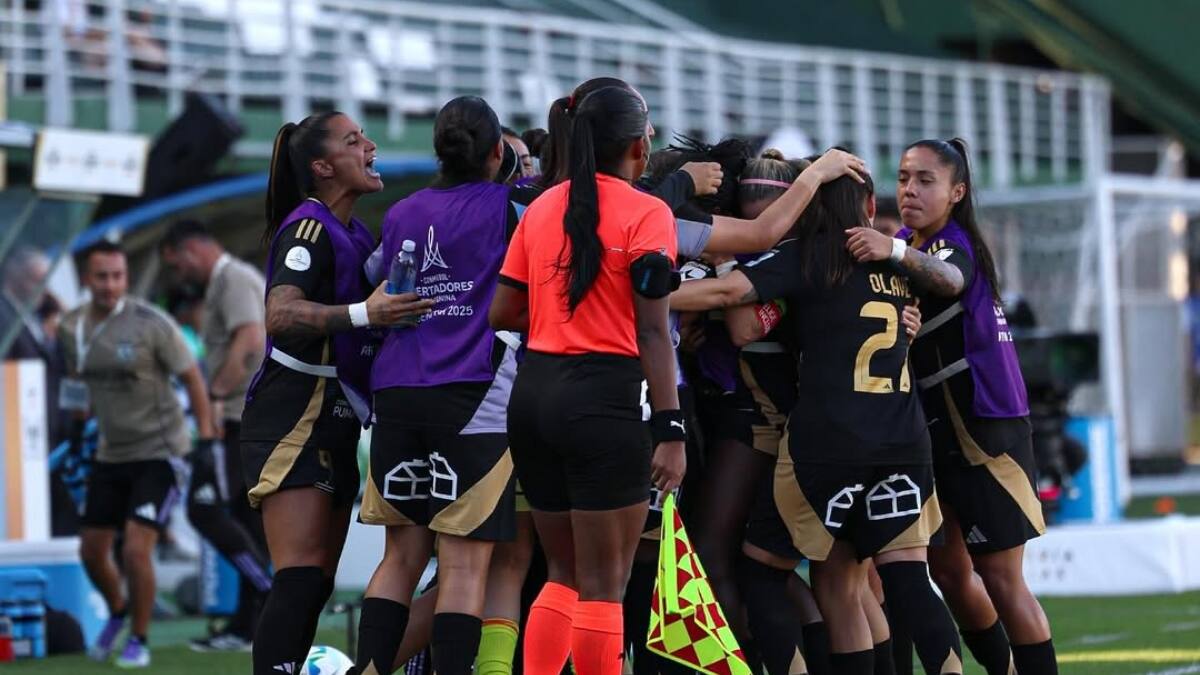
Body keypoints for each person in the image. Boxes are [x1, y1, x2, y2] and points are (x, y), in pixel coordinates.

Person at [671, 170, 967, 675]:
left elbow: (727, 300)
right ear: (869, 205)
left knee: (761, 571)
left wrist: (637, 291)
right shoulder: (898, 263)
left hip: (827, 446)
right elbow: (950, 281)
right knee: (894, 581)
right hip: (903, 441)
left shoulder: (808, 255)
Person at [489, 83, 685, 675]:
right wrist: (671, 429)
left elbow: (502, 312)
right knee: (605, 583)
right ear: (638, 146)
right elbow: (653, 332)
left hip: (534, 395)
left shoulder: (543, 206)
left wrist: (562, 317)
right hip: (602, 398)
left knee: (563, 573)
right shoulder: (649, 213)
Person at [845, 138, 1057, 675]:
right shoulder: (905, 243)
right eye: (903, 178)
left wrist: (892, 251)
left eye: (925, 180)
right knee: (947, 572)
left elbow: (950, 279)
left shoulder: (948, 246)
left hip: (985, 431)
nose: (910, 190)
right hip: (929, 433)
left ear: (957, 192)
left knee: (1001, 579)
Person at [240, 112, 432, 675]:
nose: (370, 145)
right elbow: (279, 314)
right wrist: (366, 313)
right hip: (292, 414)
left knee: (317, 580)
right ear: (323, 167)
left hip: (338, 415)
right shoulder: (307, 227)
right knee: (300, 575)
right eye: (353, 140)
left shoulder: (356, 234)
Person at [353, 96, 533, 675]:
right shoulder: (513, 206)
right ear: (499, 152)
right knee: (464, 566)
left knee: (399, 558)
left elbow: (375, 276)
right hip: (473, 393)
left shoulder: (403, 211)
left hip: (398, 389)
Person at [61, 240, 217, 669]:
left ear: (126, 278)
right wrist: (74, 424)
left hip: (160, 452)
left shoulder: (152, 323)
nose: (110, 285)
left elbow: (193, 379)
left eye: (117, 276)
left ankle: (139, 638)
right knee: (91, 551)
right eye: (101, 277)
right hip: (110, 452)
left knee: (134, 550)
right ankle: (118, 610)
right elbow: (75, 379)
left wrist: (205, 441)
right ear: (86, 280)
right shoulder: (72, 326)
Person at [158, 220, 275, 652]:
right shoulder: (226, 283)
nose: (179, 275)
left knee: (203, 508)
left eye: (176, 265)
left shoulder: (233, 279)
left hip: (239, 417)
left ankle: (267, 590)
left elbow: (251, 338)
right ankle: (249, 627)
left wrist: (216, 395)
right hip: (243, 416)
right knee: (245, 519)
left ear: (190, 250)